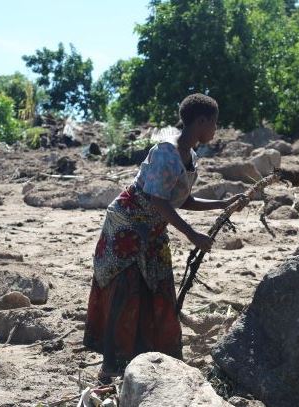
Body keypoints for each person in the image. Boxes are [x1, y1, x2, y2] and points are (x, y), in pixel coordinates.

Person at [84, 93, 244, 380]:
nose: (216, 130)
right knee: (127, 289)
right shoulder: (164, 152)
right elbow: (158, 200)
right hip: (128, 226)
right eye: (215, 123)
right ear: (202, 121)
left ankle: (151, 361)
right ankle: (112, 365)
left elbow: (181, 200)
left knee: (157, 290)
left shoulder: (190, 157)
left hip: (154, 230)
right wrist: (193, 234)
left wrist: (223, 204)